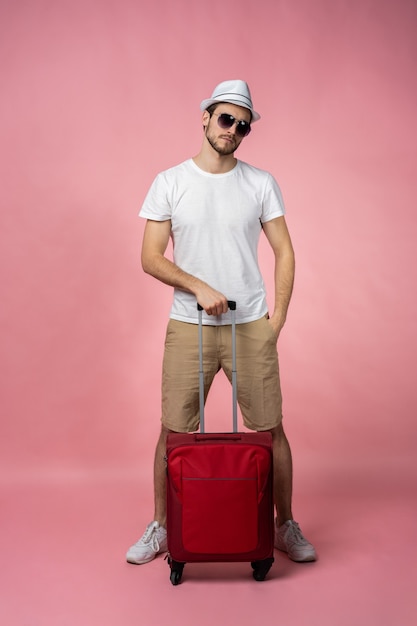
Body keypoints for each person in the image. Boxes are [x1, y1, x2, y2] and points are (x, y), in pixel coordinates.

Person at [126, 79, 317, 566]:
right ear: (206, 117)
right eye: (227, 119)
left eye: (243, 125)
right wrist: (199, 286)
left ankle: (284, 525)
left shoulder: (260, 183)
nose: (234, 130)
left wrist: (278, 320)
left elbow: (285, 251)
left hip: (250, 325)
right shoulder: (170, 181)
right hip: (187, 326)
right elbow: (150, 257)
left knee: (270, 429)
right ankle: (162, 528)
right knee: (174, 432)